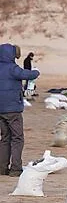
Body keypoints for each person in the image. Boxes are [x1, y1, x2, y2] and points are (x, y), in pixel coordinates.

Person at [0, 43, 40, 177]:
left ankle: (2, 168)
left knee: (5, 138)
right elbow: (27, 74)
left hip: (1, 109)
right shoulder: (12, 68)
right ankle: (16, 168)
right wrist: (36, 72)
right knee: (17, 138)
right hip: (13, 109)